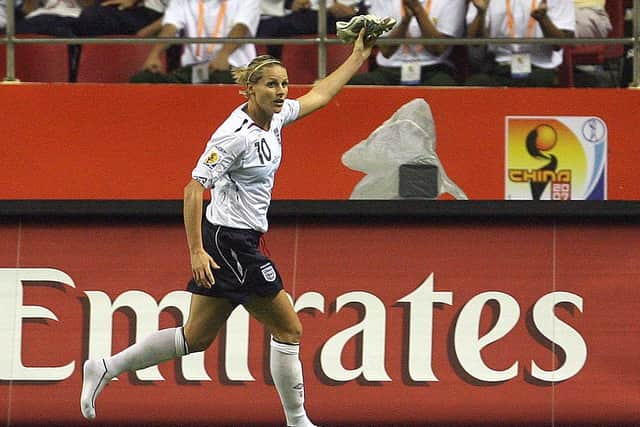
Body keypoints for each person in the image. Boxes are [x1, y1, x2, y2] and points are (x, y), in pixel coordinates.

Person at [80, 27, 377, 427]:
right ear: (250, 89)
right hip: (228, 242)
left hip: (239, 238)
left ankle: (104, 366)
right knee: (289, 329)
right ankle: (298, 421)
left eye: (285, 84)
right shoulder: (233, 137)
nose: (282, 91)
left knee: (194, 338)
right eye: (272, 84)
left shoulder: (274, 118)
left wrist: (358, 55)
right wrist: (196, 251)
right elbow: (192, 188)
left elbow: (321, 95)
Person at [129, 0, 260, 84]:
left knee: (220, 81)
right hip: (196, 71)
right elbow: (170, 27)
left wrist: (223, 55)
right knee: (142, 80)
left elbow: (241, 27)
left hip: (235, 70)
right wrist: (154, 55)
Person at [347, 0, 467, 86]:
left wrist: (417, 9)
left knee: (447, 87)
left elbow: (437, 49)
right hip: (389, 70)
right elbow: (386, 51)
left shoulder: (452, 1)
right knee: (353, 85)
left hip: (433, 69)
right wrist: (406, 19)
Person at [465, 0, 576, 87]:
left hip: (541, 67)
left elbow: (560, 44)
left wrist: (543, 19)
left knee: (540, 82)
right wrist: (480, 13)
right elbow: (475, 42)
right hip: (499, 66)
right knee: (476, 83)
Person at [257, 0, 368, 59]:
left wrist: (354, 8)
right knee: (271, 27)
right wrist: (289, 3)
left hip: (348, 14)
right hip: (304, 14)